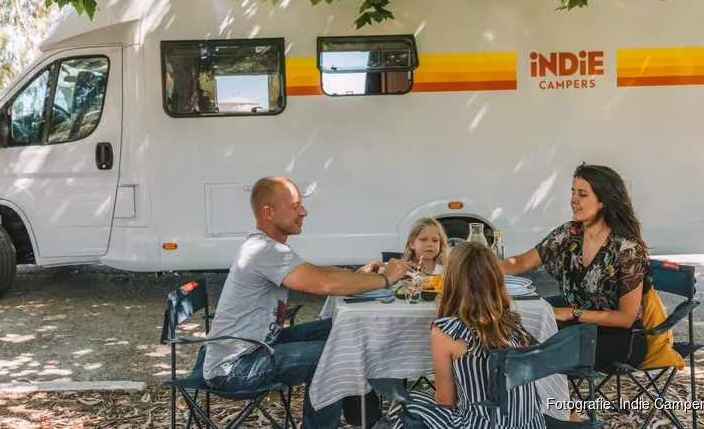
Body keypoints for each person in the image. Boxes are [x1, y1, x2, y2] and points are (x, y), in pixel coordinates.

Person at [202, 176, 412, 429]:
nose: (303, 212)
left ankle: (366, 420)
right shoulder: (264, 250)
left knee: (344, 327)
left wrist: (358, 275)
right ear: (268, 213)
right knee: (334, 355)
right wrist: (385, 279)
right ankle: (363, 421)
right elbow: (322, 282)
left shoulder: (267, 246)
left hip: (260, 346)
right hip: (235, 367)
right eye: (295, 206)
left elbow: (316, 272)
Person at [500, 163, 653, 372]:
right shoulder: (569, 233)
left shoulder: (627, 249)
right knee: (510, 330)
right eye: (573, 192)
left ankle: (539, 392)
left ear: (603, 201)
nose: (573, 200)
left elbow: (626, 318)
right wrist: (476, 270)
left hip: (618, 339)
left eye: (582, 194)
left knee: (531, 353)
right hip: (576, 330)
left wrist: (572, 313)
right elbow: (522, 263)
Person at [389, 241, 546, 429]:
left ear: (451, 281)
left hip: (481, 424)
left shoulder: (446, 332)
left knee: (404, 405)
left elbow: (445, 401)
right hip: (531, 424)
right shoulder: (513, 322)